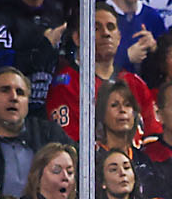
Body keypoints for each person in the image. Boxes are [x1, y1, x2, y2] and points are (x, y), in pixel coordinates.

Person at [44, 8, 156, 144]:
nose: (106, 33)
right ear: (77, 38)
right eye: (96, 28)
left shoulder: (135, 83)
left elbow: (154, 137)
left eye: (111, 27)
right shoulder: (66, 83)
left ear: (119, 37)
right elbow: (69, 145)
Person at [0, 66, 68, 198]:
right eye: (5, 90)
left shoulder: (50, 134)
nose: (14, 97)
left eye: (20, 92)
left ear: (28, 103)